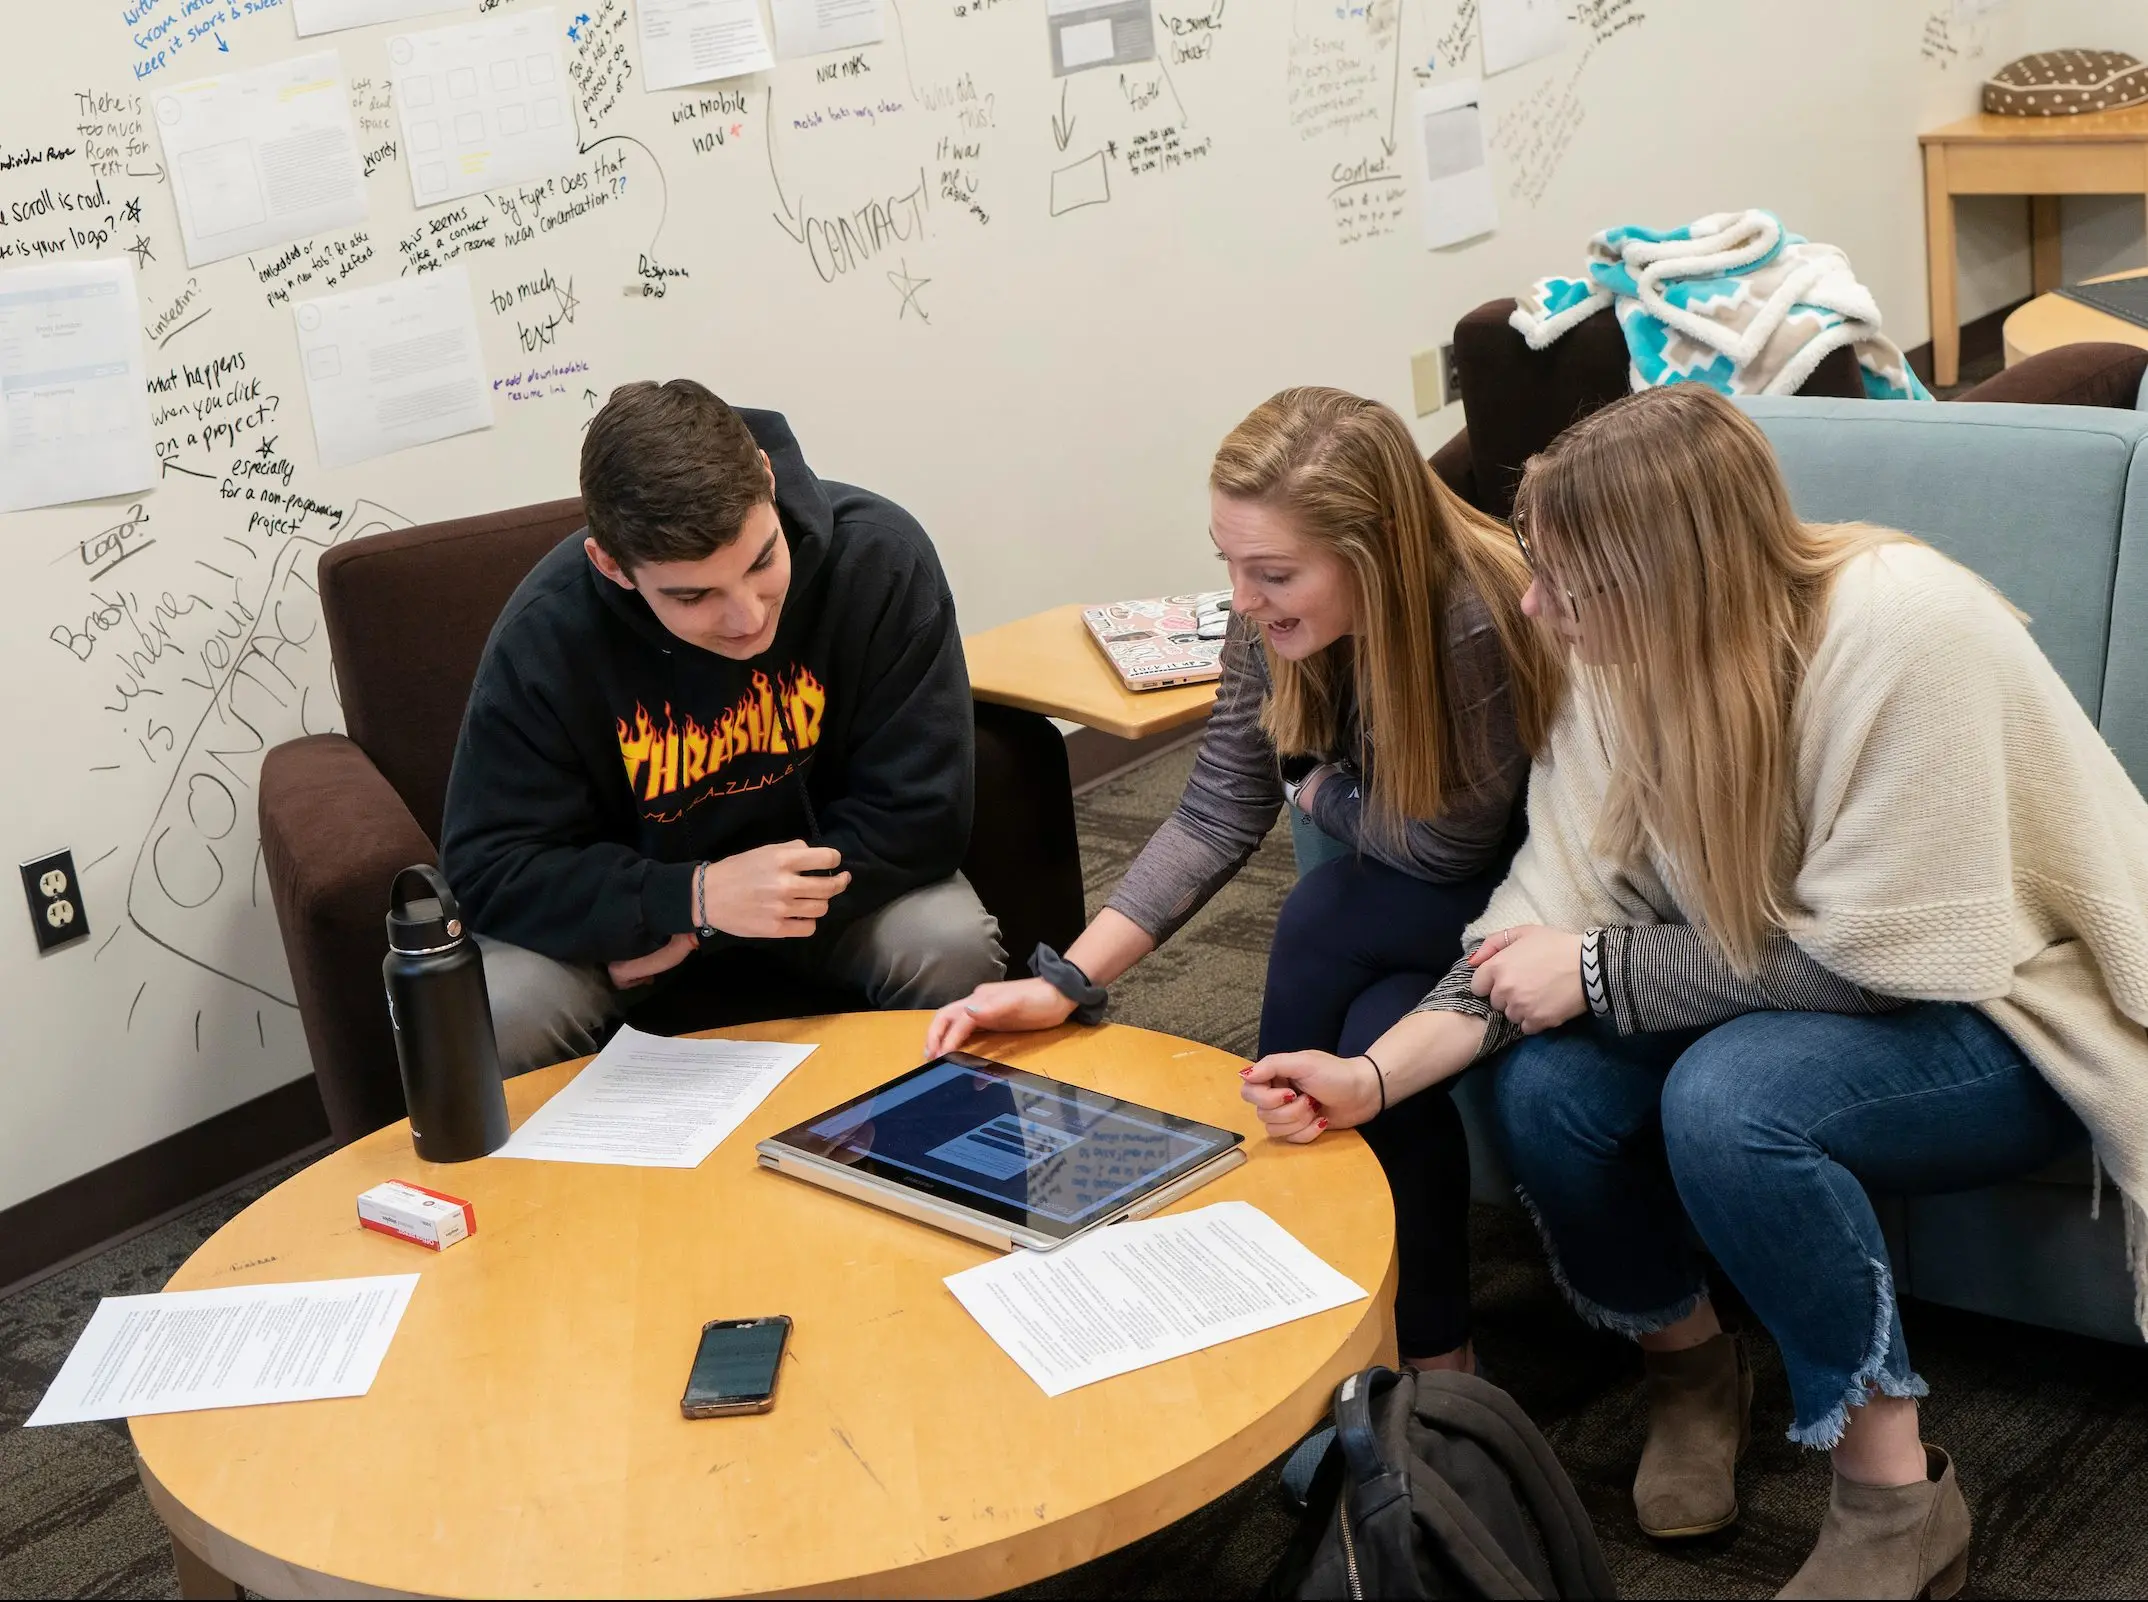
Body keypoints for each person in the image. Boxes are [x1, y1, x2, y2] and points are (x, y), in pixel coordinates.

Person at [1242, 384, 2148, 1600]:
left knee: (1729, 1100)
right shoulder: (1616, 659)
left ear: (1669, 574)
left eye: (1563, 579)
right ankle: (1688, 1369)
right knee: (1553, 1085)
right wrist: (1367, 1077)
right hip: (1795, 980)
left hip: (2007, 1004)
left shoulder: (1903, 630)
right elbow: (1534, 920)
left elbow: (1888, 965)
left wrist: (1611, 970)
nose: (1529, 605)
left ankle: (1895, 1498)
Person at [926, 385, 1563, 1372]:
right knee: (1365, 1049)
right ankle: (1438, 1360)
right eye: (1228, 562)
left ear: (1377, 547)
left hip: (1531, 904)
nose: (1243, 596)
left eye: (1270, 571)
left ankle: (1293, 1279)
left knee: (1319, 909)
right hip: (1404, 905)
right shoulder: (1266, 615)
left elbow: (1451, 849)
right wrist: (1066, 981)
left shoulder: (1473, 615)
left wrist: (1316, 792)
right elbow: (1217, 806)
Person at [441, 379, 1004, 1074]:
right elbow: (489, 868)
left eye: (762, 561)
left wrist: (716, 919)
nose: (748, 618)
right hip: (639, 929)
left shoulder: (879, 561)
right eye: (694, 595)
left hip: (831, 897)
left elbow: (922, 816)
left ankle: (944, 1171)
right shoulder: (546, 635)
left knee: (950, 944)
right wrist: (691, 900)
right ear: (613, 567)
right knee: (502, 1010)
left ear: (767, 478)